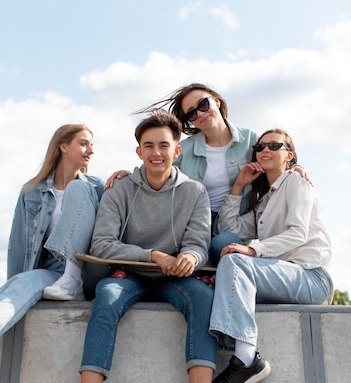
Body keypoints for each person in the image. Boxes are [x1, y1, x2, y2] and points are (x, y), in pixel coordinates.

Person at [45, 111, 247, 383]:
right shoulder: (120, 189)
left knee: (203, 297)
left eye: (164, 145)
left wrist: (189, 257)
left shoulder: (194, 192)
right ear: (138, 151)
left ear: (176, 151)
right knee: (107, 296)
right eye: (148, 145)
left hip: (174, 278)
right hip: (129, 273)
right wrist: (152, 255)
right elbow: (103, 244)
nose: (156, 152)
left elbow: (197, 243)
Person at [0, 124, 104, 363]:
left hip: (88, 271)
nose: (90, 150)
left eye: (92, 145)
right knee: (24, 281)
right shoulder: (31, 192)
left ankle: (72, 278)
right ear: (63, 145)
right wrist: (15, 283)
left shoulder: (95, 188)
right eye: (84, 143)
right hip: (53, 272)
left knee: (78, 187)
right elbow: (18, 245)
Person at [109, 83, 309, 265]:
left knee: (225, 243)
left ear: (217, 101)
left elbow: (274, 157)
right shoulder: (184, 149)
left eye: (203, 105)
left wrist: (294, 168)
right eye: (192, 114)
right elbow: (156, 166)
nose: (200, 114)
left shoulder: (251, 140)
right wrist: (129, 174)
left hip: (232, 226)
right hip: (191, 225)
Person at [209, 128, 333, 383]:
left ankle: (246, 358)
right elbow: (231, 227)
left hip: (310, 277)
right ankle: (240, 352)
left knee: (236, 262)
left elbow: (298, 233)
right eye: (260, 146)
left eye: (274, 145)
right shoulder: (266, 199)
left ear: (289, 155)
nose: (265, 150)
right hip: (283, 275)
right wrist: (239, 186)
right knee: (227, 268)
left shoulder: (296, 182)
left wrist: (253, 249)